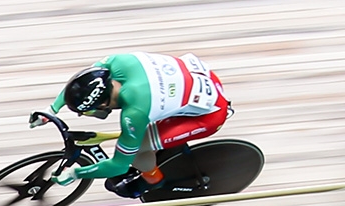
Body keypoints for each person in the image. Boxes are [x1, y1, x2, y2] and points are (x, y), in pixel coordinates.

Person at [49, 52, 232, 196]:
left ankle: (153, 180)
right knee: (136, 137)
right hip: (201, 78)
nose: (86, 115)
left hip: (209, 116)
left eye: (88, 111)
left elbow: (119, 166)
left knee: (136, 152)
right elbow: (80, 83)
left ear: (103, 104)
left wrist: (76, 174)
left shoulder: (134, 113)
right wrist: (52, 109)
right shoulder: (116, 62)